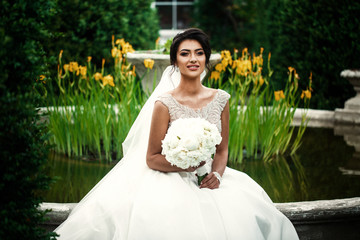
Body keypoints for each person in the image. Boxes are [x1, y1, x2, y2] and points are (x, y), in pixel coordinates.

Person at [55, 28, 299, 239]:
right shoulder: (164, 104)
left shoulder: (221, 99)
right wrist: (186, 164)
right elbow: (151, 158)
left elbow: (222, 150)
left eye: (199, 53)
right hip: (170, 178)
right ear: (175, 62)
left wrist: (217, 174)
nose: (193, 59)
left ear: (206, 59)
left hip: (208, 178)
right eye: (185, 54)